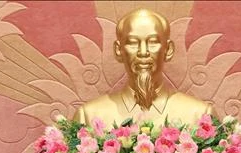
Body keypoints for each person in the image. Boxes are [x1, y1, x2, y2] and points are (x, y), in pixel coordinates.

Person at [74, 8, 213, 128]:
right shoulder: (88, 117)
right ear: (118, 50)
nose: (143, 52)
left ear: (168, 49)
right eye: (133, 43)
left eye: (153, 42)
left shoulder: (201, 116)